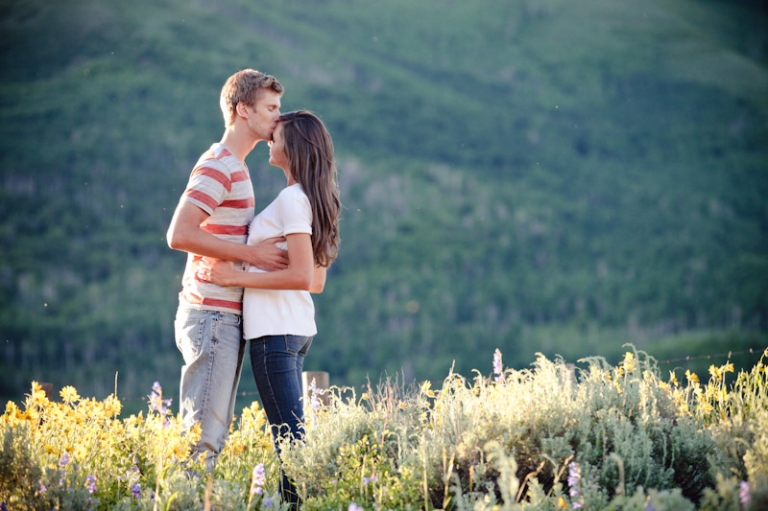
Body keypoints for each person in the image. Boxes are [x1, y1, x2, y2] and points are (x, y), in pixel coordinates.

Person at [197, 110, 341, 507]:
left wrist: (234, 277)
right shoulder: (313, 197)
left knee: (290, 441)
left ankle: (300, 504)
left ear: (291, 149)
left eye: (275, 138)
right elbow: (315, 280)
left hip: (274, 334)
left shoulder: (293, 201)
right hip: (294, 331)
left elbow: (301, 277)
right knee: (294, 436)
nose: (269, 143)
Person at [166, 69, 289, 471]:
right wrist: (253, 257)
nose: (277, 117)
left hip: (220, 316)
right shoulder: (220, 164)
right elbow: (179, 233)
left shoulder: (235, 165)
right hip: (211, 314)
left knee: (209, 438)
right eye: (270, 108)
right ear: (242, 109)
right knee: (202, 441)